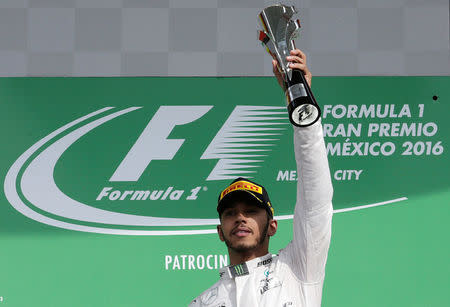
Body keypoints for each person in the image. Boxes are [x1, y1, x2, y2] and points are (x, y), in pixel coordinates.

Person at [189, 49, 333, 307]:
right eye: (231, 213)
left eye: (252, 211)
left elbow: (315, 202)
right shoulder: (202, 302)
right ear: (220, 232)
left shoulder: (298, 267)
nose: (240, 218)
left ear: (273, 226)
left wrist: (303, 110)